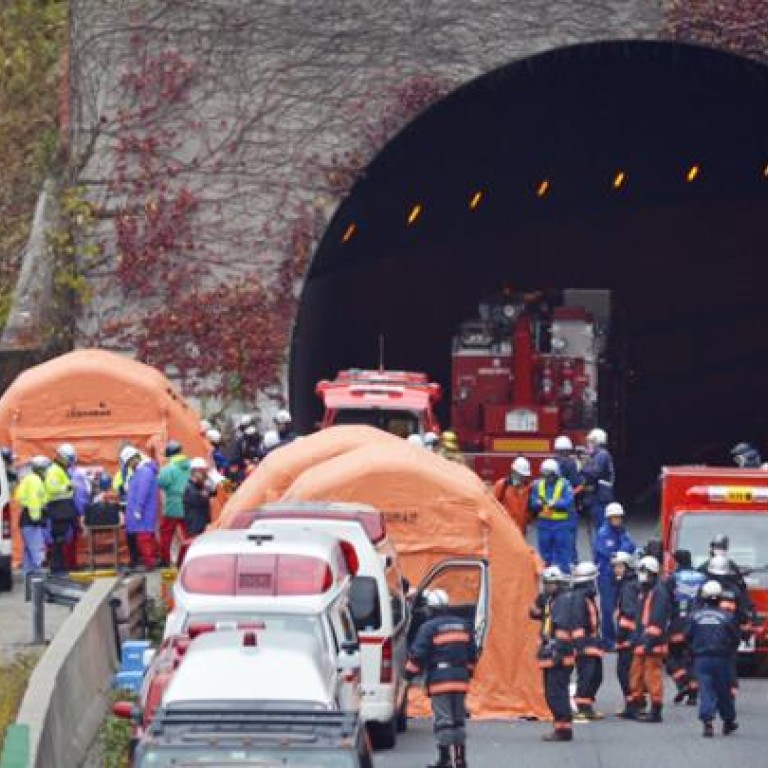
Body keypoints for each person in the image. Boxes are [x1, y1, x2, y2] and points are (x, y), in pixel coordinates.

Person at [405, 589, 477, 768]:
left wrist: (407, 674)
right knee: (458, 719)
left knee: (444, 721)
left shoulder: (428, 627)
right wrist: (466, 673)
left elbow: (418, 655)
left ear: (431, 608)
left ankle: (444, 759)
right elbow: (472, 654)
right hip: (460, 680)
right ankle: (461, 760)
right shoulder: (464, 625)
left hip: (440, 681)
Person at [686, 580, 740, 738]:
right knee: (724, 691)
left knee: (706, 689)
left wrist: (694, 651)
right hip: (722, 658)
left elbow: (687, 636)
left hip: (702, 658)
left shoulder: (695, 616)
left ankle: (707, 722)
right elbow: (735, 638)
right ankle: (728, 721)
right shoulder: (727, 617)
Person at [530, 565, 576, 742]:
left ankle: (563, 730)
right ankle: (562, 728)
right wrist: (541, 598)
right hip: (552, 655)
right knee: (554, 693)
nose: (546, 586)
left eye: (549, 584)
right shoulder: (551, 600)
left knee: (556, 694)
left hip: (559, 656)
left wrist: (558, 652)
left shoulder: (562, 602)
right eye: (545, 583)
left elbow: (562, 630)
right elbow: (533, 613)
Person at [626, 555, 671, 723]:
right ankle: (638, 705)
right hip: (642, 640)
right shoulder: (645, 591)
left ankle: (656, 709)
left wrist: (649, 640)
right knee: (636, 674)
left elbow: (657, 618)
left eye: (644, 571)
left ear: (652, 573)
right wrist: (636, 639)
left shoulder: (659, 592)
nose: (641, 575)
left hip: (653, 642)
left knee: (652, 675)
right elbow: (641, 618)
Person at [593, 502, 636, 649]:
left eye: (619, 517)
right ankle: (608, 640)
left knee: (624, 606)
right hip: (606, 577)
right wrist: (622, 550)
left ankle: (621, 636)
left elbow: (631, 546)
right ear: (609, 518)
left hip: (620, 575)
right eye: (614, 517)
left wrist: (623, 550)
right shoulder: (603, 534)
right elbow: (612, 554)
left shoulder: (622, 532)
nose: (617, 520)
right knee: (608, 609)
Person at [667, 549, 706, 705]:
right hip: (697, 623)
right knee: (693, 658)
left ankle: (682, 683)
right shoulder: (702, 577)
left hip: (678, 623)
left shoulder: (673, 578)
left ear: (676, 561)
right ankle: (693, 694)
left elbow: (666, 600)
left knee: (673, 658)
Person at [569, 561, 604, 720]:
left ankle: (586, 705)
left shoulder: (586, 596)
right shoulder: (579, 598)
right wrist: (580, 644)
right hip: (585, 644)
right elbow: (577, 621)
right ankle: (581, 706)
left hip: (592, 642)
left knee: (596, 676)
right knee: (587, 675)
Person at [529, 459, 575, 573]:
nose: (547, 477)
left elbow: (569, 500)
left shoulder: (565, 484)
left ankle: (564, 576)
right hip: (544, 525)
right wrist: (537, 503)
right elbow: (532, 501)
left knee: (563, 554)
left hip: (561, 525)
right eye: (545, 474)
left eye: (549, 475)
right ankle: (547, 579)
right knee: (545, 554)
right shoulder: (538, 484)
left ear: (555, 474)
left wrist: (555, 503)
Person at [121, 446, 159, 571]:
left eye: (128, 462)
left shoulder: (144, 472)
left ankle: (150, 563)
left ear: (134, 458)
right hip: (142, 511)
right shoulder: (141, 471)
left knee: (145, 539)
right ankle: (150, 561)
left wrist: (138, 509)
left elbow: (143, 492)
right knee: (145, 538)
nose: (129, 465)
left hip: (143, 513)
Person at [613, 551, 640, 716]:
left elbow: (629, 612)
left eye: (619, 566)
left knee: (624, 672)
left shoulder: (628, 587)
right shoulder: (631, 584)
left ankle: (632, 706)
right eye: (615, 566)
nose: (616, 569)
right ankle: (636, 702)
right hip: (634, 637)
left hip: (629, 638)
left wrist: (621, 635)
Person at [44, 443, 78, 574]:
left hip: (63, 508)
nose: (70, 463)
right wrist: (68, 487)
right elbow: (52, 489)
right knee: (58, 540)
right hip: (59, 509)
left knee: (62, 540)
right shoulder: (54, 471)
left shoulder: (60, 470)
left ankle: (60, 567)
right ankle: (57, 568)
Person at [157, 441, 191, 567]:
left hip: (173, 505)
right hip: (189, 504)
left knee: (166, 533)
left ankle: (165, 560)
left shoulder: (169, 468)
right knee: (188, 534)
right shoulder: (190, 465)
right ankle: (189, 558)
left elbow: (161, 483)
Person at [15, 456, 50, 574]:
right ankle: (38, 583)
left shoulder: (30, 479)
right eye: (46, 469)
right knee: (37, 553)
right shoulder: (35, 480)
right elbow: (34, 500)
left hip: (27, 520)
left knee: (29, 554)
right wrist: (37, 519)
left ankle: (29, 582)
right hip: (32, 520)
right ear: (41, 469)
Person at [580, 427, 615, 533]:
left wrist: (582, 467)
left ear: (598, 442)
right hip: (596, 497)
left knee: (602, 528)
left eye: (592, 442)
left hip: (601, 497)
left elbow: (594, 473)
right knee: (598, 527)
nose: (589, 444)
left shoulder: (602, 455)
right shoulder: (596, 456)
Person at [554, 435, 583, 565]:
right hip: (568, 507)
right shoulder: (570, 463)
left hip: (553, 507)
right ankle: (573, 564)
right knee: (570, 539)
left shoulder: (551, 463)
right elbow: (576, 483)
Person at [492, 456, 533, 535]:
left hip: (521, 531)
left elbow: (529, 509)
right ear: (513, 471)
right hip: (505, 531)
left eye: (524, 476)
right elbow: (491, 505)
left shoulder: (529, 488)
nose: (522, 478)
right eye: (520, 475)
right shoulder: (502, 485)